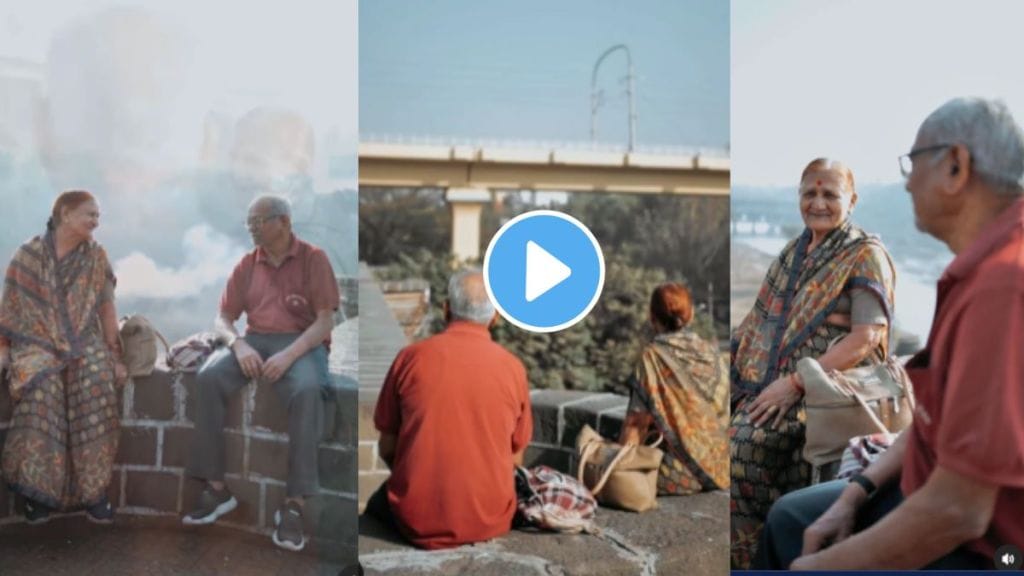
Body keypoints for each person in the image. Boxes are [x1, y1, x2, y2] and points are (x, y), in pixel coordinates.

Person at [756, 97, 1024, 570]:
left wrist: (818, 569)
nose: (906, 182)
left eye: (913, 163)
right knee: (791, 518)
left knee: (795, 544)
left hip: (989, 546)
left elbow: (959, 511)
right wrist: (853, 496)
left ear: (956, 166)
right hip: (920, 484)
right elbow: (932, 422)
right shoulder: (978, 269)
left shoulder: (1003, 285)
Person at [729, 158, 896, 568]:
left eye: (829, 195)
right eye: (809, 193)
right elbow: (760, 321)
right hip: (773, 385)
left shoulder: (864, 255)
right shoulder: (794, 251)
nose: (818, 203)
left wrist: (796, 383)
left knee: (740, 447)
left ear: (851, 201)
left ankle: (758, 558)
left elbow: (866, 337)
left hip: (822, 391)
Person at [182, 195, 339, 553]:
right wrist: (238, 345)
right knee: (208, 377)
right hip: (254, 340)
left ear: (283, 222)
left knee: (308, 390)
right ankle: (217, 490)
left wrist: (289, 354)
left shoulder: (314, 259)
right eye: (249, 222)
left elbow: (325, 320)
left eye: (259, 221)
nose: (252, 228)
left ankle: (294, 505)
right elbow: (223, 318)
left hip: (302, 344)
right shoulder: (247, 264)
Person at [365, 269, 533, 550]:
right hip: (489, 519)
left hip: (414, 519)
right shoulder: (513, 368)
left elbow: (387, 447)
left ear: (446, 309)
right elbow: (515, 458)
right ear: (495, 317)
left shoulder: (410, 358)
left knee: (374, 507)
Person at [0, 190, 127, 524]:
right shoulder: (27, 256)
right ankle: (36, 495)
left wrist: (115, 356)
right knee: (42, 389)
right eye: (90, 214)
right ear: (66, 214)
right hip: (36, 343)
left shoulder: (96, 257)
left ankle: (94, 493)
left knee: (96, 384)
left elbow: (106, 308)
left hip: (83, 341)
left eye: (98, 216)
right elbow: (10, 310)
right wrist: (3, 352)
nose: (96, 222)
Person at [619, 283, 729, 495]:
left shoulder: (651, 357)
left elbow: (635, 424)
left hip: (682, 476)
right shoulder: (711, 351)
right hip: (723, 468)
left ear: (652, 316)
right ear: (691, 314)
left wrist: (617, 465)